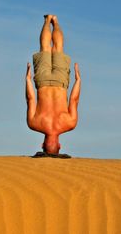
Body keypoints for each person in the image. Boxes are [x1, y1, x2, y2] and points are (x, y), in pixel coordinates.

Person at [26, 14, 81, 158]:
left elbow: (74, 100)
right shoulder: (34, 124)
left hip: (60, 83)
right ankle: (47, 20)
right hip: (43, 82)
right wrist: (27, 80)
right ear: (42, 145)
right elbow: (30, 99)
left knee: (58, 48)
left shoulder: (69, 124)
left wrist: (78, 80)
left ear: (60, 145)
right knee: (45, 47)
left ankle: (55, 21)